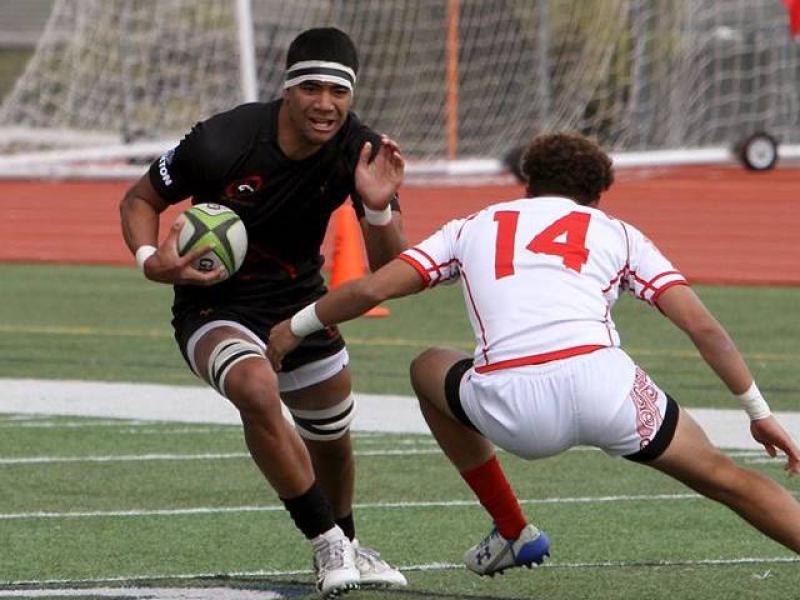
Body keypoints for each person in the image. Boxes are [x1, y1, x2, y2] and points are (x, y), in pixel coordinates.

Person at [267, 132, 800, 576]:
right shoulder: (617, 232)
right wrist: (759, 414)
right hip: (607, 390)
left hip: (510, 406)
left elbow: (372, 288)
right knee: (729, 479)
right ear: (596, 197)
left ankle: (512, 527)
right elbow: (704, 327)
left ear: (528, 184)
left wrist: (295, 325)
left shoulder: (472, 226)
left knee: (427, 365)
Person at [119, 27, 408, 598]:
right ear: (288, 89)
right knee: (255, 389)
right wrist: (153, 261)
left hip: (300, 301)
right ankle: (324, 540)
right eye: (312, 89)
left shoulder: (362, 149)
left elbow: (390, 270)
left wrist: (376, 210)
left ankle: (348, 541)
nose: (325, 104)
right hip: (213, 304)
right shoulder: (223, 141)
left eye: (338, 92)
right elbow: (139, 199)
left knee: (332, 437)